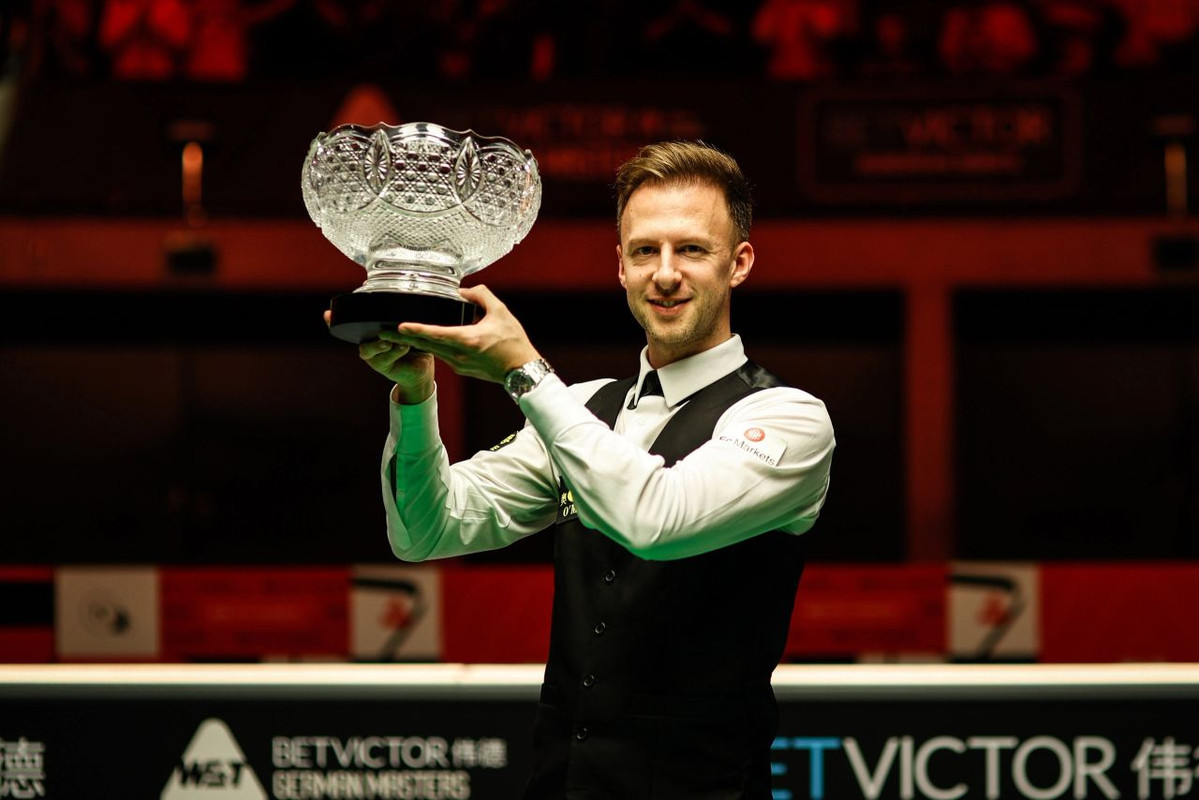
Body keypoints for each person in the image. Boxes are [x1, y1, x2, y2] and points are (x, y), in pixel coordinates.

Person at [344, 140, 835, 799]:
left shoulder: (788, 417)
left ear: (738, 263)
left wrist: (523, 372)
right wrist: (414, 397)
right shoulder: (580, 409)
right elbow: (425, 531)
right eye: (645, 251)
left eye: (691, 249)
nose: (665, 273)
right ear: (621, 266)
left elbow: (656, 521)